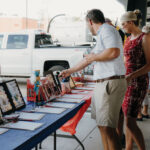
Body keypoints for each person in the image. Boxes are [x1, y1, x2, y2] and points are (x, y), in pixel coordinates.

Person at [61, 9, 127, 150]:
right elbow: (87, 60)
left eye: (86, 24)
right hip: (103, 83)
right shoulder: (102, 36)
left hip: (110, 83)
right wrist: (69, 71)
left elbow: (113, 52)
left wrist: (93, 57)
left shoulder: (107, 30)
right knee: (102, 125)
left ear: (90, 21)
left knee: (108, 128)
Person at [120, 10, 150, 150]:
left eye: (124, 24)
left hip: (138, 83)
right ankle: (128, 147)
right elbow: (126, 61)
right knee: (127, 117)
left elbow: (149, 65)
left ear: (131, 22)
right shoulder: (129, 38)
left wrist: (130, 76)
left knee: (130, 121)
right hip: (127, 81)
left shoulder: (144, 38)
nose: (122, 26)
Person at [105, 18, 126, 147]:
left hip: (115, 77)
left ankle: (118, 136)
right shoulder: (116, 33)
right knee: (117, 111)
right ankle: (119, 135)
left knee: (115, 111)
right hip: (116, 76)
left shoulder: (115, 34)